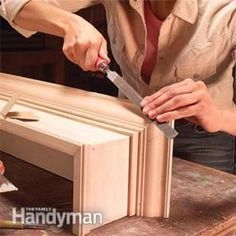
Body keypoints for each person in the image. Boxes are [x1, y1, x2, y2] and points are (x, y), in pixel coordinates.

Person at [1, 0, 235, 173]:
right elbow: (13, 4)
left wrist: (217, 115)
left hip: (206, 138)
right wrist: (69, 23)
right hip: (130, 126)